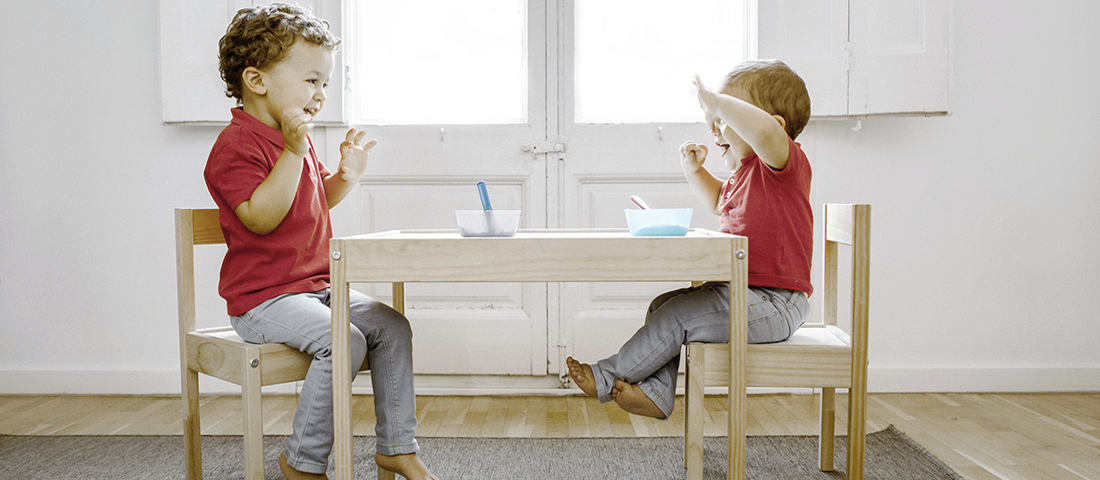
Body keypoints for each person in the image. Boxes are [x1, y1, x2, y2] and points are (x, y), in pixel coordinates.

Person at [204, 4, 437, 479]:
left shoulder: (298, 140)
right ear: (257, 80)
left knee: (392, 327)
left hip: (314, 287)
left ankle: (396, 447)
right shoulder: (236, 147)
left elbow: (310, 202)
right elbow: (263, 218)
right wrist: (292, 150)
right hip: (262, 300)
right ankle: (302, 461)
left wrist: (345, 179)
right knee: (344, 340)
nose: (321, 94)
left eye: (325, 83)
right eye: (312, 80)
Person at [567, 59, 814, 420]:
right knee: (662, 306)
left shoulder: (783, 165)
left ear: (773, 125)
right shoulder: (744, 175)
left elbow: (764, 134)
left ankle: (607, 376)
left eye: (726, 116)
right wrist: (694, 170)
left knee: (678, 316)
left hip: (774, 302)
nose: (714, 126)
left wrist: (715, 100)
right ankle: (656, 394)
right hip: (744, 295)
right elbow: (717, 201)